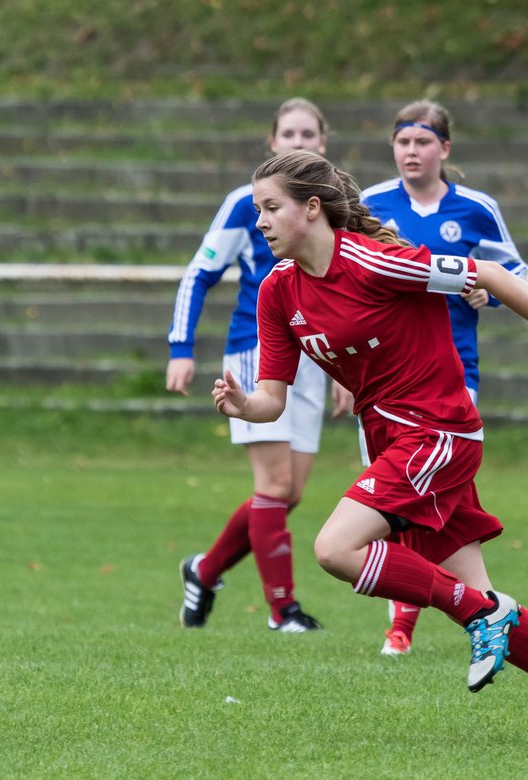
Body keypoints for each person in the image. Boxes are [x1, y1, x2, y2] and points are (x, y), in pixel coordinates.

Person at [212, 149, 528, 743]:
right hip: (393, 437)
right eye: (257, 208)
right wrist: (243, 406)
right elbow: (272, 399)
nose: (259, 221)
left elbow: (488, 275)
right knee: (477, 591)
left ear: (311, 209)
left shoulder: (373, 261)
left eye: (270, 208)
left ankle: (480, 615)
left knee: (336, 548)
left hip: (438, 430)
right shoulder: (278, 291)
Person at [167, 98, 346, 632]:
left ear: (323, 142)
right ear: (272, 142)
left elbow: (341, 289)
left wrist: (344, 370)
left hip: (315, 355)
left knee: (289, 493)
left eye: (309, 133)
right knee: (272, 486)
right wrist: (181, 348)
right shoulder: (245, 203)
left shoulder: (328, 206)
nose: (298, 140)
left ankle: (205, 570)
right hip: (255, 350)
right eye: (288, 132)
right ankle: (283, 612)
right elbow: (197, 274)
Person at [360, 99, 528, 656]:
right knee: (390, 501)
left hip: (454, 371)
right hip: (382, 377)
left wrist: (488, 294)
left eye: (423, 142)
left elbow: (514, 271)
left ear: (445, 149)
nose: (412, 151)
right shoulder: (372, 205)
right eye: (404, 142)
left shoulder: (476, 208)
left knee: (430, 498)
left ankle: (435, 618)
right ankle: (433, 616)